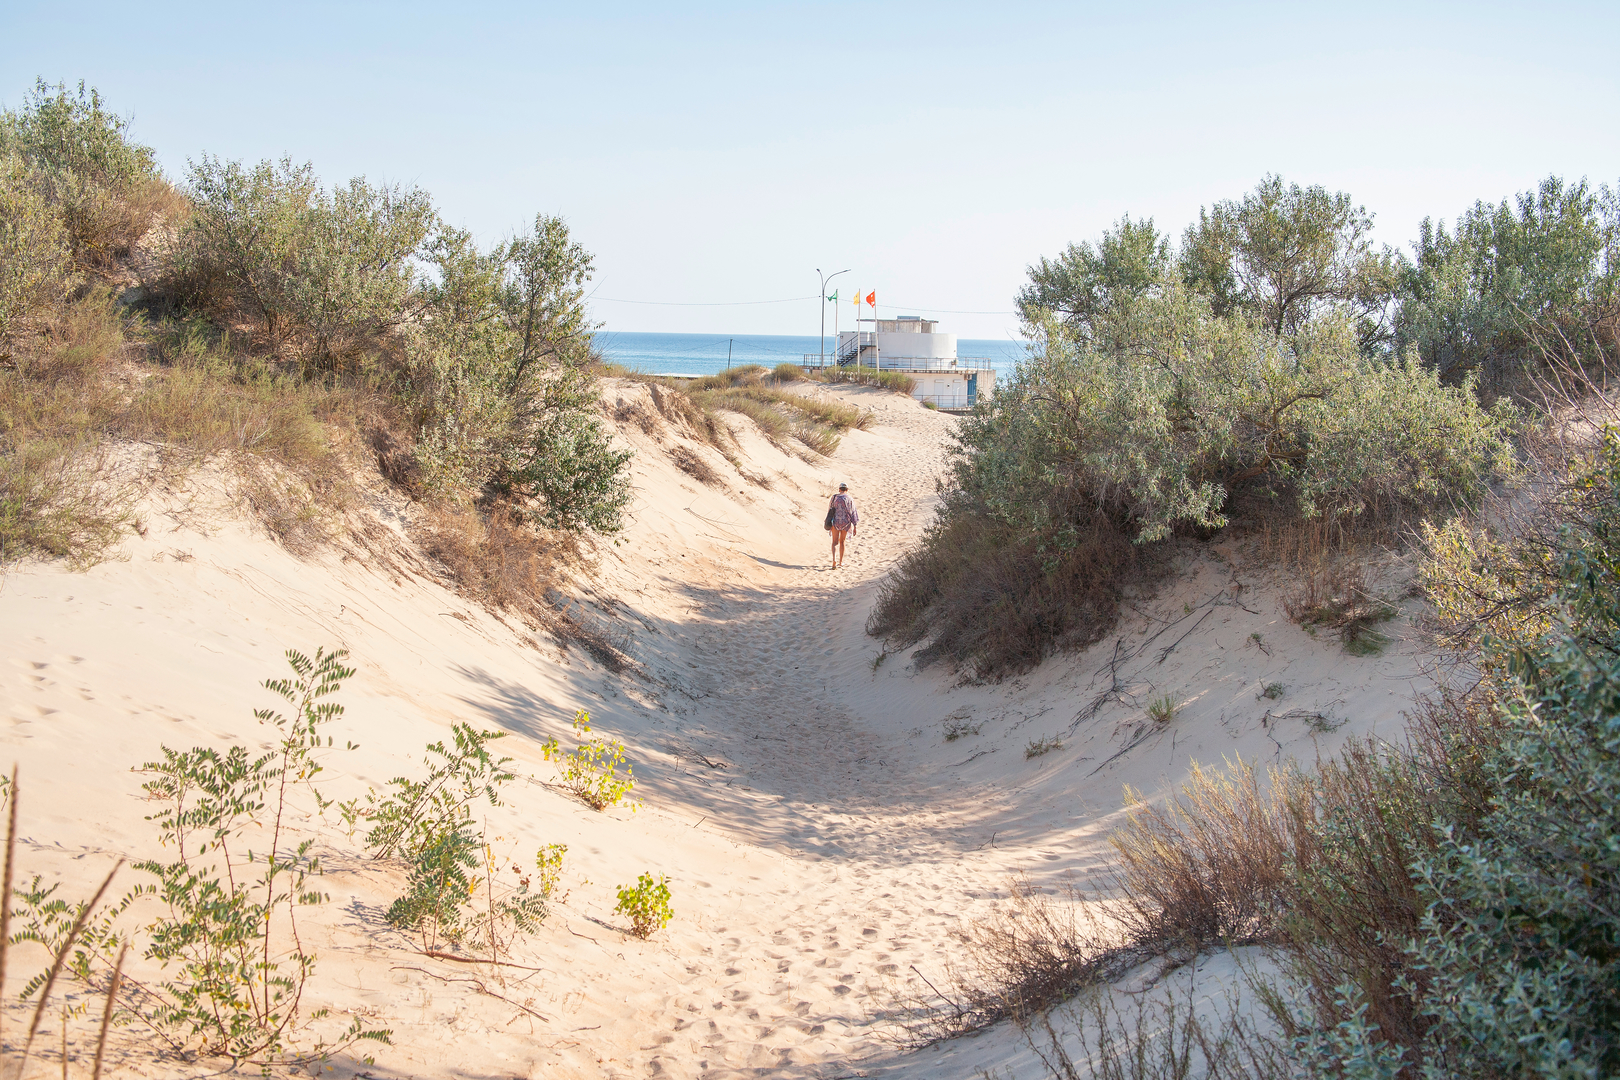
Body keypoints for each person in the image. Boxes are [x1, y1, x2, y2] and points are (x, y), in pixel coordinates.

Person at [828, 483, 858, 568]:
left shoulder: (834, 497)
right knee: (842, 542)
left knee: (834, 542)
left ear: (839, 489)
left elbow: (830, 509)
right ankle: (840, 562)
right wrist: (855, 525)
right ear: (847, 490)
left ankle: (834, 560)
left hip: (835, 522)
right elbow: (853, 512)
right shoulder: (850, 499)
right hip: (846, 523)